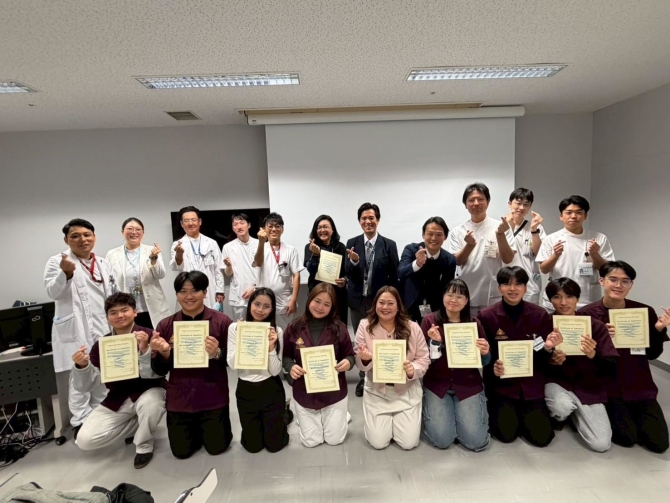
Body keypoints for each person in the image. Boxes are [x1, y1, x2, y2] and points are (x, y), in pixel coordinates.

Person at [577, 261, 670, 453]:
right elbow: (583, 361)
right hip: (608, 385)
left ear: (631, 285)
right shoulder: (586, 314)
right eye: (613, 279)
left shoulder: (644, 312)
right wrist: (602, 339)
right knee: (627, 438)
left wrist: (659, 329)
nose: (618, 285)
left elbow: (652, 354)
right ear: (602, 281)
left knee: (659, 444)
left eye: (625, 281)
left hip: (639, 384)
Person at [71, 293, 166, 469]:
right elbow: (87, 385)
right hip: (118, 397)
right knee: (84, 440)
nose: (119, 315)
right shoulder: (102, 344)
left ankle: (144, 444)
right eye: (113, 313)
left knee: (152, 404)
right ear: (107, 317)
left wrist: (145, 351)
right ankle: (138, 424)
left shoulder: (150, 335)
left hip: (150, 390)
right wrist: (82, 366)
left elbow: (158, 374)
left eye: (124, 310)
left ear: (135, 312)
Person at [150, 271, 233, 459]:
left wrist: (217, 353)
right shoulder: (165, 325)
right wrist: (164, 353)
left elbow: (233, 361)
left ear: (205, 292)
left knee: (217, 448)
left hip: (213, 396)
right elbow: (159, 370)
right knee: (181, 452)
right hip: (180, 399)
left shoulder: (222, 322)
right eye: (183, 291)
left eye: (195, 290)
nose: (189, 296)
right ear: (176, 294)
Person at [44, 218, 115, 434]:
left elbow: (111, 293)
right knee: (80, 373)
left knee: (102, 371)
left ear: (94, 237)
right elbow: (52, 292)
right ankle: (80, 421)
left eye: (87, 235)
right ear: (66, 240)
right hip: (77, 328)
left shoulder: (102, 263)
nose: (82, 239)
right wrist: (65, 273)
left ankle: (100, 413)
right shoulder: (57, 262)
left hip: (102, 324)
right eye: (75, 236)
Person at [479, 266, 562, 447]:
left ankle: (529, 414)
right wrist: (493, 366)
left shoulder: (539, 315)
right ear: (499, 288)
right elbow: (485, 354)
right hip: (502, 384)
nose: (512, 289)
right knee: (506, 435)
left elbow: (542, 354)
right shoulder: (486, 316)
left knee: (541, 439)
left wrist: (548, 348)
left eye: (518, 284)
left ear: (525, 288)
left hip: (530, 383)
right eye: (506, 284)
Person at [544, 278, 618, 452]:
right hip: (557, 382)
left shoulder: (594, 326)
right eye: (557, 297)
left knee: (601, 444)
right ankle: (562, 415)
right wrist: (550, 357)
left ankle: (575, 414)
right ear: (550, 300)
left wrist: (593, 355)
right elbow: (533, 358)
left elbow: (611, 365)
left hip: (588, 385)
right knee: (561, 406)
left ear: (577, 298)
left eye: (569, 296)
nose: (563, 302)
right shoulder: (544, 323)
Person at [355, 286, 429, 450]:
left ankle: (402, 420)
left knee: (408, 443)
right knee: (378, 443)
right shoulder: (365, 326)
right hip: (377, 391)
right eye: (381, 302)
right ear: (375, 304)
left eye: (390, 303)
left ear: (398, 306)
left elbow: (424, 358)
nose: (385, 307)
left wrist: (413, 369)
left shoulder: (412, 327)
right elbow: (358, 361)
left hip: (406, 391)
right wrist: (365, 359)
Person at [421, 279, 491, 451]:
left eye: (460, 296)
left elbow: (485, 362)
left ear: (466, 300)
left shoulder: (474, 323)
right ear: (443, 296)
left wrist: (485, 353)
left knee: (476, 441)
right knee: (442, 440)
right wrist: (435, 344)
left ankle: (458, 421)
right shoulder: (429, 322)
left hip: (468, 384)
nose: (454, 300)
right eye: (450, 295)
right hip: (438, 385)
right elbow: (423, 361)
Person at [283, 283, 355, 447]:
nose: (320, 307)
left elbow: (350, 355)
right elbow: (286, 356)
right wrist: (290, 366)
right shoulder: (293, 327)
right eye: (317, 301)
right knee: (311, 442)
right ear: (310, 300)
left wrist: (348, 363)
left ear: (332, 307)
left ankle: (342, 416)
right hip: (305, 392)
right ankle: (308, 419)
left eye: (326, 304)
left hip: (334, 394)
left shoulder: (340, 328)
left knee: (334, 440)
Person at [345, 203, 399, 397]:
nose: (368, 221)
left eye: (371, 218)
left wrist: (392, 301)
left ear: (378, 220)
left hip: (380, 302)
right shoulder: (352, 242)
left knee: (381, 337)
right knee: (362, 340)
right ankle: (363, 377)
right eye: (364, 218)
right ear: (359, 221)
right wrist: (354, 261)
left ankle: (384, 373)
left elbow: (395, 275)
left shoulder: (389, 244)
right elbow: (347, 273)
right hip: (358, 300)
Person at [226, 288, 289, 453]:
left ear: (272, 309)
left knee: (274, 446)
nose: (260, 310)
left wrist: (271, 347)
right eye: (257, 304)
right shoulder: (235, 328)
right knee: (252, 447)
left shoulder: (277, 331)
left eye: (266, 306)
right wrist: (242, 338)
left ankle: (285, 414)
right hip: (246, 391)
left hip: (271, 388)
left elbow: (275, 371)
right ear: (250, 304)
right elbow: (232, 365)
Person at [447, 182, 517, 316]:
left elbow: (508, 259)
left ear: (488, 202)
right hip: (466, 289)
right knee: (469, 326)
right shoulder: (458, 230)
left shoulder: (501, 227)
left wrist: (500, 235)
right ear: (465, 204)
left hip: (491, 290)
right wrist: (469, 246)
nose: (476, 203)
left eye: (480, 199)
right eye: (471, 200)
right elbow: (457, 261)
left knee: (492, 326)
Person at [537, 195, 615, 311]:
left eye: (578, 212)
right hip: (558, 300)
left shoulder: (599, 238)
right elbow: (544, 269)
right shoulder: (551, 239)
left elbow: (607, 270)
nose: (573, 216)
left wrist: (595, 254)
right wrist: (555, 255)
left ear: (585, 216)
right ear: (561, 216)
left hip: (588, 300)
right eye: (568, 212)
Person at [105, 217, 171, 328]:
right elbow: (109, 281)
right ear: (122, 232)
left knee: (154, 335)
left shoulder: (152, 251)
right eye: (130, 229)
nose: (134, 232)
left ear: (143, 233)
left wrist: (153, 258)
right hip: (125, 308)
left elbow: (160, 274)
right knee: (129, 336)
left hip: (150, 306)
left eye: (138, 229)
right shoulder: (112, 254)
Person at [398, 216, 457, 323]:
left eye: (439, 234)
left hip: (434, 308)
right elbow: (400, 273)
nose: (434, 238)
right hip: (408, 305)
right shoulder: (411, 249)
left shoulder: (449, 259)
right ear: (423, 235)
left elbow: (447, 288)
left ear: (445, 237)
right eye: (430, 234)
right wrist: (417, 264)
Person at [253, 212, 304, 331]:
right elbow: (258, 263)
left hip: (284, 302)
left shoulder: (291, 250)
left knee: (284, 334)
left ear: (282, 229)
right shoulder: (259, 247)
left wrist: (293, 300)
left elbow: (296, 275)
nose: (274, 229)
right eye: (270, 226)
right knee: (265, 334)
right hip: (263, 302)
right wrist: (261, 242)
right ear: (264, 229)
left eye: (277, 226)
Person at [169, 206, 225, 309]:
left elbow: (218, 268)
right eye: (186, 221)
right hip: (188, 288)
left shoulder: (211, 243)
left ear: (200, 222)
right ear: (182, 224)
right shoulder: (177, 244)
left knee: (210, 315)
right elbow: (175, 267)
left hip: (209, 288)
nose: (190, 223)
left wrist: (220, 290)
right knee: (190, 315)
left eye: (193, 220)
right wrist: (179, 254)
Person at [304, 215, 348, 324]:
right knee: (318, 325)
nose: (322, 230)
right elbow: (311, 270)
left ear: (332, 230)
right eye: (319, 227)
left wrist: (344, 279)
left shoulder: (341, 247)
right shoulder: (310, 246)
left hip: (338, 295)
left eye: (325, 227)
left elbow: (346, 271)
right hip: (317, 294)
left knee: (338, 325)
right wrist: (315, 255)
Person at [505, 188, 546, 304]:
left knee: (529, 313)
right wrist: (509, 226)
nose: (522, 207)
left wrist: (534, 230)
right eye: (518, 203)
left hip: (529, 283)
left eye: (526, 204)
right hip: (505, 281)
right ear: (509, 204)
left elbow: (539, 253)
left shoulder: (535, 227)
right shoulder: (500, 226)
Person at [222, 213, 259, 320]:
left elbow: (265, 271)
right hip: (238, 295)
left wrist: (255, 288)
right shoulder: (228, 247)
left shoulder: (260, 244)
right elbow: (228, 274)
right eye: (235, 224)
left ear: (249, 225)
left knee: (258, 324)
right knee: (240, 326)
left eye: (242, 223)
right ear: (233, 228)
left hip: (257, 290)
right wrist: (228, 266)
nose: (239, 227)